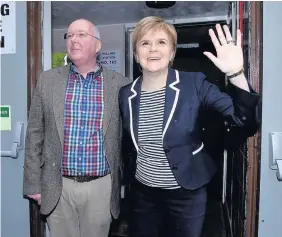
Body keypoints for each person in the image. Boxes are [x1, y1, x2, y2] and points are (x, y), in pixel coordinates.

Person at [119, 16, 260, 237]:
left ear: (172, 52)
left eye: (162, 42)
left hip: (186, 193)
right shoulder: (126, 94)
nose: (153, 49)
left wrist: (236, 74)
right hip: (143, 193)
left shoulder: (194, 83)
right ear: (136, 54)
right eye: (145, 43)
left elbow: (244, 122)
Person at [23, 19, 131, 237]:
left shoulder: (120, 84)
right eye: (69, 36)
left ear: (97, 45)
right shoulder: (48, 80)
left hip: (101, 187)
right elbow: (35, 133)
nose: (73, 40)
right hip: (57, 185)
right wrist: (33, 184)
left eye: (81, 35)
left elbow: (129, 136)